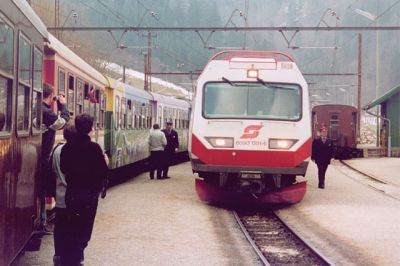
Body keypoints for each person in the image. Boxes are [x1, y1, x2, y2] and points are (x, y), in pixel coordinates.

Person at [60, 114, 108, 265]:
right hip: (89, 194)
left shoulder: (67, 147)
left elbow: (63, 168)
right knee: (86, 226)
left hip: (72, 192)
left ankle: (73, 255)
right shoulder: (94, 148)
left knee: (73, 223)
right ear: (90, 129)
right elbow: (103, 171)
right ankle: (78, 252)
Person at [40, 83, 70, 231]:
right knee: (42, 187)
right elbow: (62, 122)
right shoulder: (46, 112)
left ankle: (41, 218)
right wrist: (63, 106)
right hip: (43, 154)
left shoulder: (35, 108)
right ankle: (42, 220)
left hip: (35, 152)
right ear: (51, 96)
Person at [51, 121, 77, 265]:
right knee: (74, 229)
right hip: (74, 197)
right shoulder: (76, 151)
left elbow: (53, 171)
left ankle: (58, 256)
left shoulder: (57, 150)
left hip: (60, 196)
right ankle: (73, 257)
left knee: (59, 229)